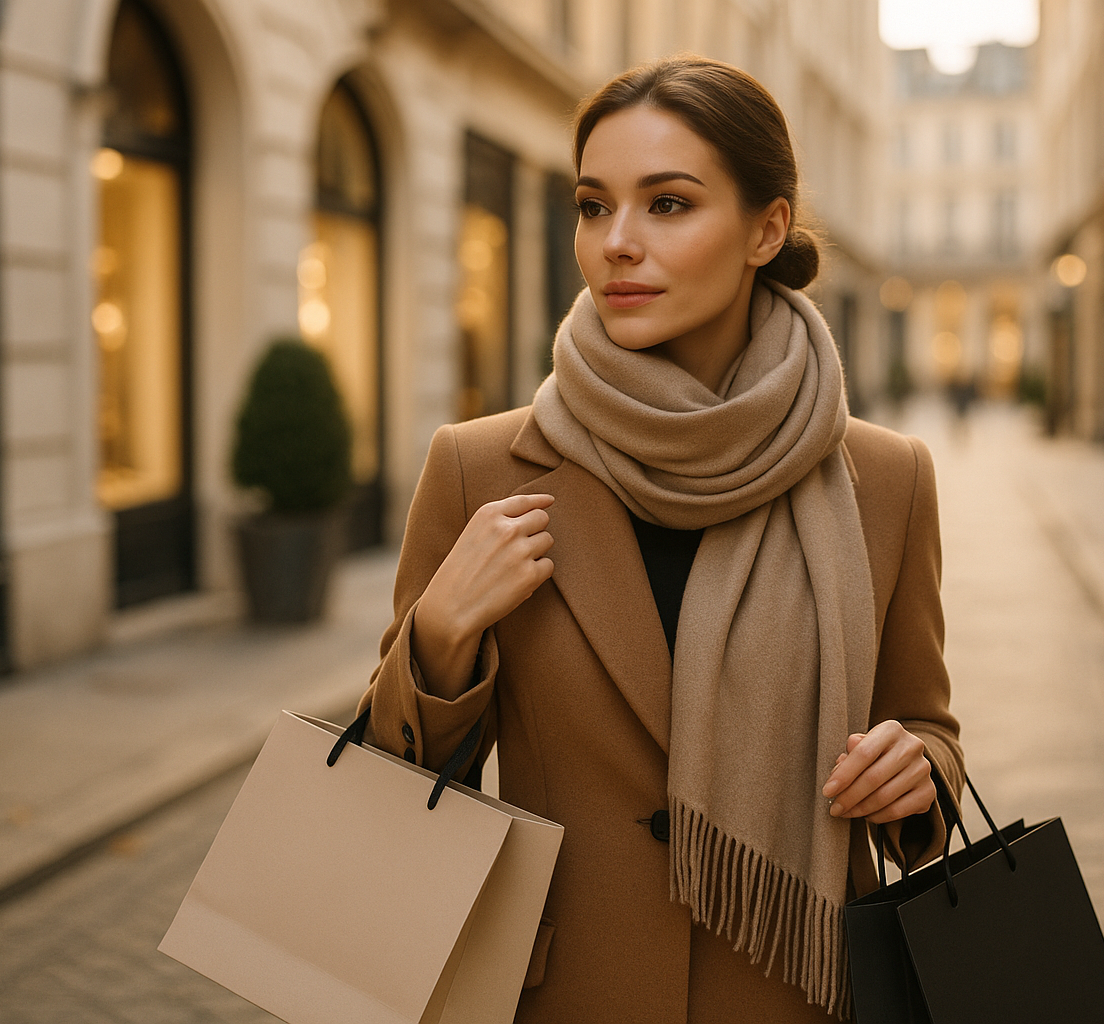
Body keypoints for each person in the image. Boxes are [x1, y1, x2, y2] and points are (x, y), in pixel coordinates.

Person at [357, 55, 962, 1023]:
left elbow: (925, 725)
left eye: (668, 205)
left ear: (766, 228)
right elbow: (389, 787)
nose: (616, 244)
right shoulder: (480, 467)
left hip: (800, 993)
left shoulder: (885, 480)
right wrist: (437, 638)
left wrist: (916, 771)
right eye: (594, 207)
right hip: (566, 997)